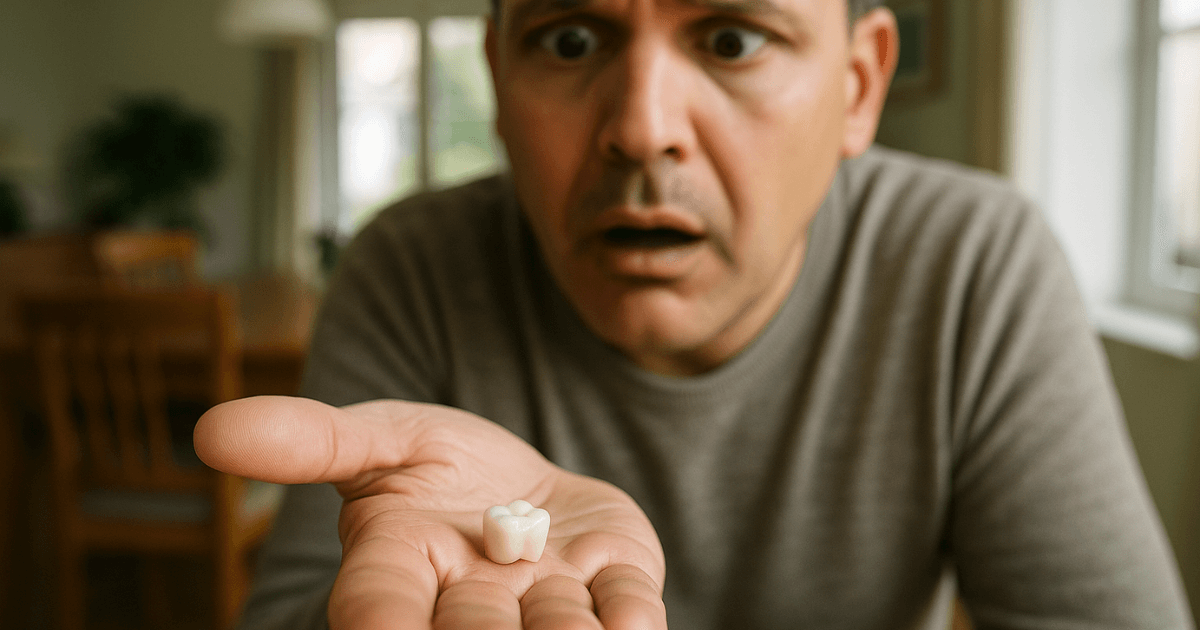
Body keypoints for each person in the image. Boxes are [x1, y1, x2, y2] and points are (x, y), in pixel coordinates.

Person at [195, 0, 1197, 627]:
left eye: (731, 39)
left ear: (858, 87)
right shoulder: (410, 266)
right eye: (570, 40)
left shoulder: (973, 263)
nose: (642, 128)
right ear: (497, 78)